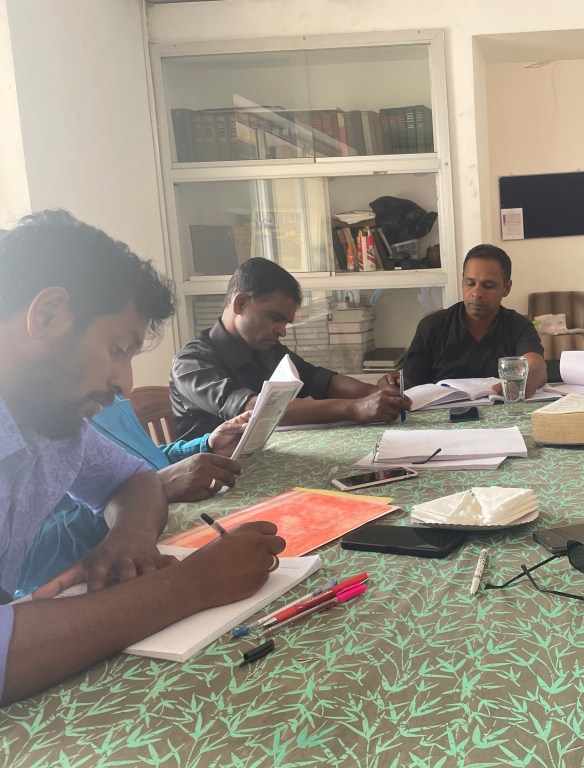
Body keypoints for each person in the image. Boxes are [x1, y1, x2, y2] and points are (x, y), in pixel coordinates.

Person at [0, 209, 284, 705]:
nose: (125, 383)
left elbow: (136, 479)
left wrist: (128, 537)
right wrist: (192, 584)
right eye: (117, 348)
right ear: (47, 316)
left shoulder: (53, 425)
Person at [15, 401, 251, 598]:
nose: (125, 383)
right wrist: (154, 488)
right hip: (72, 590)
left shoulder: (107, 395)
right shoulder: (25, 420)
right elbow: (25, 561)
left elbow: (139, 459)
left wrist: (203, 446)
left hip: (161, 547)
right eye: (116, 355)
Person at [170, 257, 409, 440]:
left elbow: (321, 380)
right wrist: (355, 408)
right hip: (213, 480)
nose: (282, 331)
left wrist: (378, 394)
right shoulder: (191, 363)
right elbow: (259, 409)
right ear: (241, 303)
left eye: (285, 322)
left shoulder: (265, 348)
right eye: (275, 318)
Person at [400, 244, 547, 397]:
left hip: (502, 408)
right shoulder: (433, 327)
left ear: (506, 288)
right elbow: (411, 382)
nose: (476, 293)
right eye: (470, 283)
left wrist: (527, 381)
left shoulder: (519, 326)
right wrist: (394, 386)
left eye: (488, 286)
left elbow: (536, 365)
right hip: (445, 410)